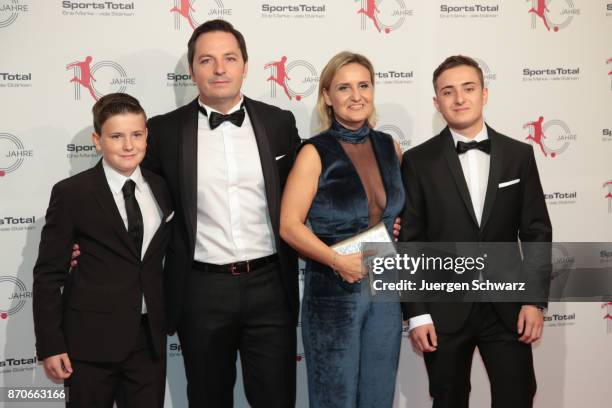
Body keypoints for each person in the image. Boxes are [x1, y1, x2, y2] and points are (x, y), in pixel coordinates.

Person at [142, 19, 301, 407]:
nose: (219, 69)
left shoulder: (279, 122)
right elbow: (135, 199)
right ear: (192, 69)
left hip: (270, 287)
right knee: (208, 399)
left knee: (276, 398)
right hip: (201, 291)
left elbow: (311, 191)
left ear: (245, 65)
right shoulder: (162, 131)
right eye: (207, 60)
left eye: (229, 58)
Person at [400, 55, 552, 408]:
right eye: (448, 92)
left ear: (484, 94)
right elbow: (410, 242)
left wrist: (533, 299)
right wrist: (417, 312)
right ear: (437, 103)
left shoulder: (520, 155)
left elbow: (536, 232)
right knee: (448, 398)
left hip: (508, 305)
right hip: (443, 308)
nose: (459, 98)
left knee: (517, 396)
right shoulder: (418, 161)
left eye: (468, 88)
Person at [280, 51, 405, 408]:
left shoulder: (389, 145)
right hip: (333, 293)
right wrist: (337, 260)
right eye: (344, 87)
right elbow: (289, 226)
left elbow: (391, 211)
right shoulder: (314, 152)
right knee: (335, 396)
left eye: (363, 85)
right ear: (326, 97)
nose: (356, 96)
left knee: (379, 393)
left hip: (385, 287)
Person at [33, 93, 173, 407]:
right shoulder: (72, 194)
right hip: (89, 343)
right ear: (98, 141)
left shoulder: (161, 188)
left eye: (136, 135)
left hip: (148, 342)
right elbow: (47, 275)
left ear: (146, 137)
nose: (128, 145)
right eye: (116, 136)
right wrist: (50, 345)